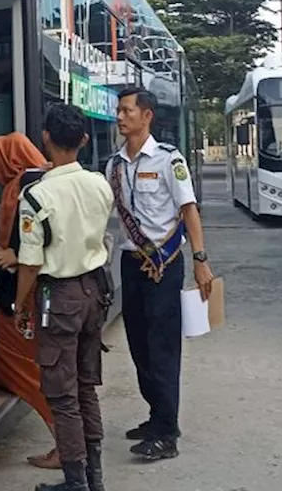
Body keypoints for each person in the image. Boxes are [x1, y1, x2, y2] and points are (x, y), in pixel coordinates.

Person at [105, 87, 212, 462]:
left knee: (163, 348)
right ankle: (157, 416)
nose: (120, 117)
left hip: (165, 267)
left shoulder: (169, 160)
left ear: (146, 115)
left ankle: (166, 433)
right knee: (139, 347)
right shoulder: (114, 166)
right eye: (118, 111)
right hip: (131, 265)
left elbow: (189, 210)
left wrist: (200, 260)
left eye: (126, 110)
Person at [14, 104, 115, 491]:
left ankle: (75, 482)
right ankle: (94, 478)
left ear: (45, 139)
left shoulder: (37, 196)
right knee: (86, 387)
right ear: (84, 140)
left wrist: (22, 305)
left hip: (61, 297)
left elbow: (30, 262)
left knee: (62, 393)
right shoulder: (99, 184)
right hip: (95, 291)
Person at [0, 132, 59, 470]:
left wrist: (12, 256)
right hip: (40, 290)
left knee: (26, 368)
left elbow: (32, 242)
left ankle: (66, 444)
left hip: (23, 293)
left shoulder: (23, 187)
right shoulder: (44, 180)